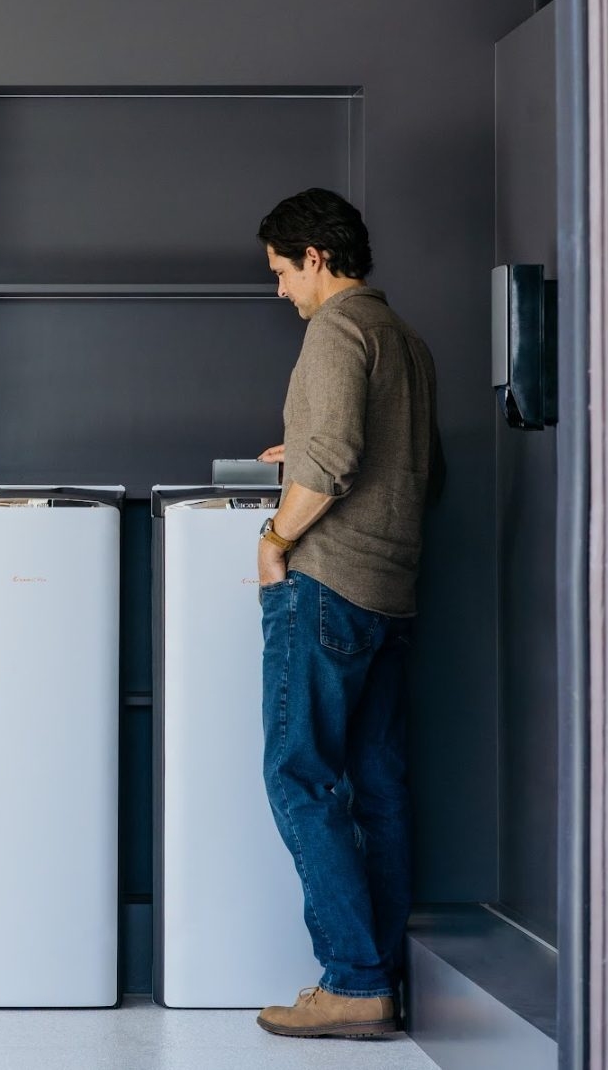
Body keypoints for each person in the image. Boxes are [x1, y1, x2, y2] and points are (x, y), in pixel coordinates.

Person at [249, 189, 443, 1038]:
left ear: (315, 257)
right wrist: (305, 450)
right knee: (379, 790)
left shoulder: (334, 331)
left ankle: (353, 983)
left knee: (298, 777)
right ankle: (384, 979)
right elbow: (421, 468)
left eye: (281, 271)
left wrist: (273, 538)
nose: (280, 290)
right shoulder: (403, 338)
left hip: (326, 586)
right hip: (391, 591)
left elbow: (330, 462)